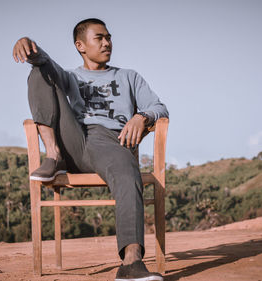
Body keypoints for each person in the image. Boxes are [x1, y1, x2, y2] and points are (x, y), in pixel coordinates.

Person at [13, 18, 168, 281]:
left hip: (110, 143)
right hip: (72, 140)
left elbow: (159, 107)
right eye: (100, 38)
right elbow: (45, 64)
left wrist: (141, 116)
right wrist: (31, 48)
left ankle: (131, 264)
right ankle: (52, 155)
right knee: (39, 71)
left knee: (126, 169)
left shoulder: (128, 76)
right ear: (81, 45)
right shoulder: (71, 76)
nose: (107, 42)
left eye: (109, 37)